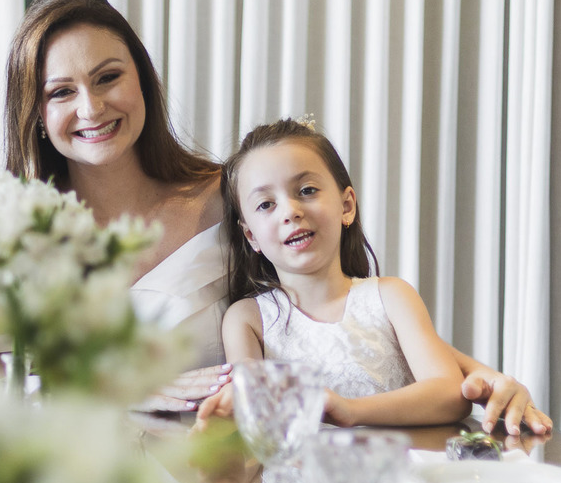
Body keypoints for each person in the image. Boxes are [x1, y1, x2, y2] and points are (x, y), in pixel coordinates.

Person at [0, 0, 549, 435]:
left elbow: (342, 311)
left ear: (142, 81)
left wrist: (486, 378)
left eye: (109, 77)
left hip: (214, 481)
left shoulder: (229, 200)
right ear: (34, 112)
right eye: (61, 92)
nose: (92, 107)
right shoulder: (10, 235)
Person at [197, 118, 470, 427]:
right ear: (251, 237)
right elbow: (251, 407)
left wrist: (351, 410)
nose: (290, 212)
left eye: (307, 190)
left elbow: (450, 393)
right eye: (266, 204)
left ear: (347, 206)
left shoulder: (392, 296)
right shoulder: (248, 319)